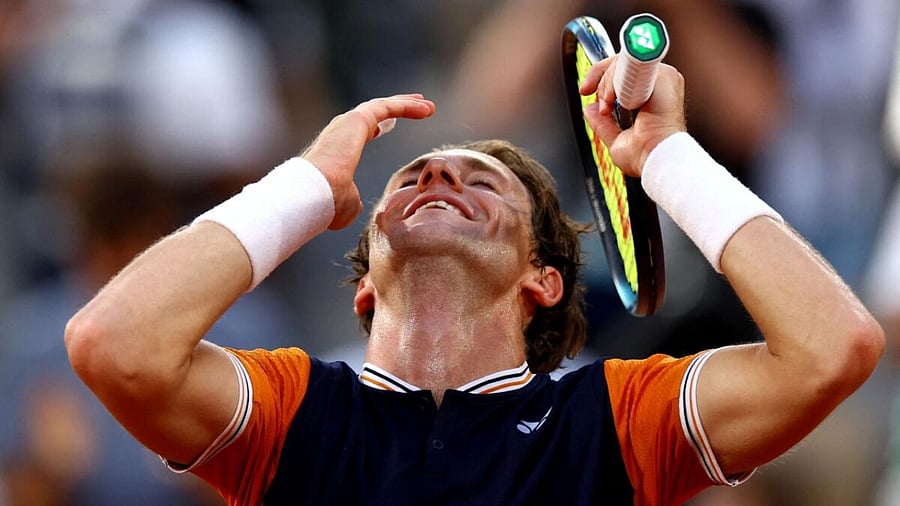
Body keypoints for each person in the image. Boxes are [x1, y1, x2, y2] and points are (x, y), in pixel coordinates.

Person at [64, 56, 883, 504]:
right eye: (413, 178)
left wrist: (663, 159)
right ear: (364, 287)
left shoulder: (615, 420)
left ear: (545, 281)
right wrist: (306, 183)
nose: (439, 178)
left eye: (480, 184)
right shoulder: (294, 410)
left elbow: (831, 346)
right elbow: (112, 344)